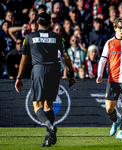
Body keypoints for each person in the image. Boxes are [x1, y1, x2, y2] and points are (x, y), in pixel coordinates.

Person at [15, 12, 75, 147]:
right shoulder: (58, 37)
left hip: (39, 70)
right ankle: (49, 138)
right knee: (49, 105)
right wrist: (71, 73)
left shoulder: (29, 37)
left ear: (37, 23)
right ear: (50, 23)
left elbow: (24, 59)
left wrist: (19, 77)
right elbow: (66, 57)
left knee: (37, 106)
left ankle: (49, 125)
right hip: (54, 71)